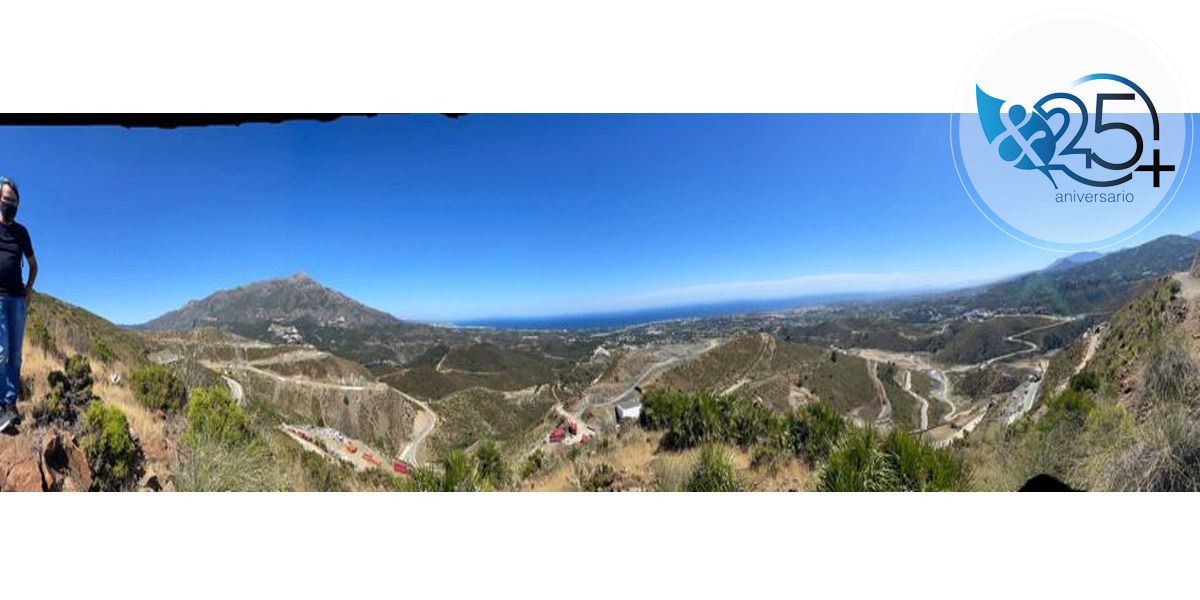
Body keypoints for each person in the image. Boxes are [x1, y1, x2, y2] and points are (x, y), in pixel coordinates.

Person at [0, 177, 36, 432]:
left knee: (15, 353)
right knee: (1, 351)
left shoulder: (22, 233)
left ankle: (10, 404)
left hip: (17, 299)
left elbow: (34, 265)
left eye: (13, 201)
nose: (9, 203)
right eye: (5, 199)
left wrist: (28, 290)